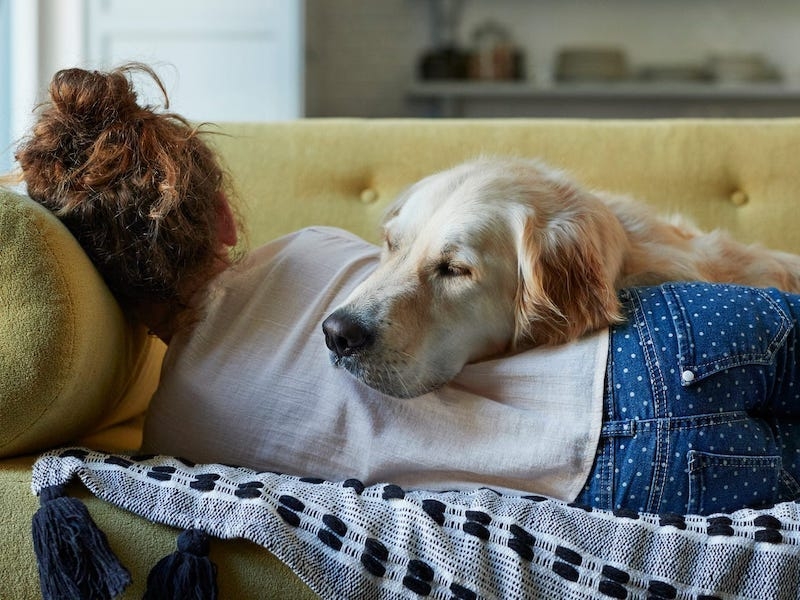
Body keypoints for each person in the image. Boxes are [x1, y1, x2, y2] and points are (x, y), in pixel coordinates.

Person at [12, 64, 800, 516]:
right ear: (222, 215)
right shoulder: (308, 251)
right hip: (676, 338)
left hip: (640, 477)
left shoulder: (177, 439)